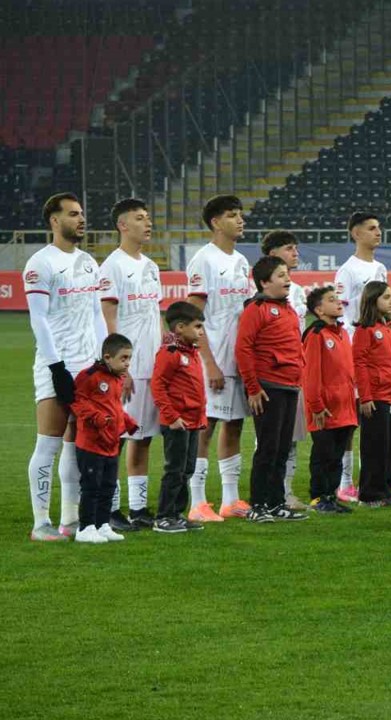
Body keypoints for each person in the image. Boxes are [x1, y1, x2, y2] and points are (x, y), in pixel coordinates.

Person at [24, 193, 108, 541]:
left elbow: (96, 313)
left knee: (76, 444)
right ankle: (40, 523)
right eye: (73, 214)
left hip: (88, 368)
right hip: (56, 366)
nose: (81, 219)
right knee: (49, 443)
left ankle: (70, 520)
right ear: (55, 221)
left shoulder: (88, 262)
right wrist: (57, 367)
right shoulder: (40, 263)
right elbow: (39, 319)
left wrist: (103, 360)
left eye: (82, 213)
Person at [184, 194, 253, 522]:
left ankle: (230, 499)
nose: (240, 220)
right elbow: (193, 318)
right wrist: (209, 362)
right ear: (215, 222)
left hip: (237, 358)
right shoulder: (204, 260)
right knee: (205, 426)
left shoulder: (241, 260)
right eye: (232, 215)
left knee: (234, 424)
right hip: (212, 359)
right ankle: (197, 502)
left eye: (240, 214)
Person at [97, 198, 162, 531]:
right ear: (122, 225)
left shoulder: (150, 266)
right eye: (139, 218)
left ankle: (138, 508)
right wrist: (121, 369)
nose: (147, 223)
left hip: (152, 367)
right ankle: (110, 509)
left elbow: (155, 314)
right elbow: (108, 319)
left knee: (143, 437)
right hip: (129, 370)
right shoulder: (113, 266)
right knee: (116, 439)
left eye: (148, 217)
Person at [235, 256, 307, 523]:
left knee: (282, 448)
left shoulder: (287, 309)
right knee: (267, 447)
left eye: (287, 274)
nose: (287, 279)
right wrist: (253, 387)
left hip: (290, 386)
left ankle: (276, 503)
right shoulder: (256, 309)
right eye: (280, 275)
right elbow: (243, 348)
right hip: (268, 387)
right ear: (265, 282)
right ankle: (258, 505)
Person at [333, 211, 388, 501]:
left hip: (378, 354)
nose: (378, 232)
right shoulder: (348, 271)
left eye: (379, 228)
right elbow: (340, 315)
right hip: (356, 353)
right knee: (351, 419)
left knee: (374, 419)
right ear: (356, 234)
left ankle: (371, 479)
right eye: (371, 228)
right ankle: (344, 482)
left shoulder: (380, 268)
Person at [70, 334, 137, 544]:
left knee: (108, 486)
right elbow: (77, 402)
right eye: (123, 358)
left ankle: (102, 524)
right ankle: (85, 527)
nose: (127, 363)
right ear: (107, 357)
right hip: (91, 443)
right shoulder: (89, 376)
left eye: (129, 358)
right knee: (91, 487)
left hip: (111, 443)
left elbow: (114, 407)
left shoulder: (117, 378)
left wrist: (127, 421)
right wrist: (97, 417)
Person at [261, 230, 310, 511]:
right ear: (272, 255)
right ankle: (266, 494)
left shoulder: (298, 292)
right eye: (289, 248)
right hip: (271, 374)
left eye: (296, 248)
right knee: (270, 438)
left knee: (291, 436)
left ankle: (285, 492)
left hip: (295, 372)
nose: (295, 253)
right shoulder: (261, 295)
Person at [151, 301, 208, 533]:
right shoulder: (170, 353)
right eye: (197, 326)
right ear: (180, 328)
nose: (201, 331)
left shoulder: (192, 352)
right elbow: (158, 386)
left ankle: (177, 513)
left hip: (192, 421)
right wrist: (172, 416)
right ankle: (163, 517)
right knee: (174, 470)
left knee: (187, 469)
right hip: (177, 423)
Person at [302, 286, 358, 514]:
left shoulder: (342, 333)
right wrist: (316, 405)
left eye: (338, 298)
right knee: (323, 454)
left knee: (336, 456)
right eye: (331, 300)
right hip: (324, 408)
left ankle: (330, 496)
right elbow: (310, 374)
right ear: (319, 310)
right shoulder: (316, 335)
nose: (338, 302)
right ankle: (318, 498)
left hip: (344, 406)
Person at [352, 282, 391, 506]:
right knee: (375, 448)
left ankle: (385, 492)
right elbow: (359, 364)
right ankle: (369, 495)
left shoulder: (387, 328)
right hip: (375, 398)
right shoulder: (365, 330)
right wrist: (365, 397)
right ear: (373, 300)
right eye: (386, 297)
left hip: (390, 396)